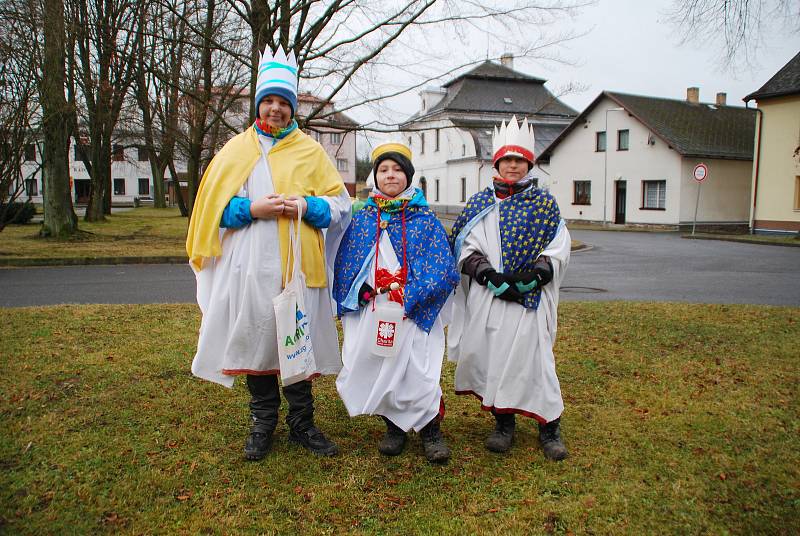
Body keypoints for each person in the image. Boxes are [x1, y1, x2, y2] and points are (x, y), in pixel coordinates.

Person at [186, 46, 351, 460]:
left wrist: (307, 207)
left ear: (293, 108)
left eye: (283, 102)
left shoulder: (311, 152)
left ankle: (303, 423)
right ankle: (263, 423)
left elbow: (341, 204)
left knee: (295, 341)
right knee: (259, 340)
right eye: (269, 101)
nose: (275, 109)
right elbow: (211, 209)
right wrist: (250, 209)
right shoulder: (235, 151)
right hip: (250, 269)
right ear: (259, 104)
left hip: (298, 267)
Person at [447, 116, 571, 461]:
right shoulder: (480, 202)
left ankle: (550, 427)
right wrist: (488, 276)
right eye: (507, 160)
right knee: (497, 358)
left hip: (532, 299)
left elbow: (559, 245)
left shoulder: (544, 203)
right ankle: (504, 424)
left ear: (528, 163)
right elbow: (464, 248)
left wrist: (535, 276)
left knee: (537, 361)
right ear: (497, 163)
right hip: (492, 298)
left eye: (519, 160)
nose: (513, 165)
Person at [332, 142, 459, 464]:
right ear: (375, 176)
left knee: (419, 369)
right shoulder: (362, 218)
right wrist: (358, 292)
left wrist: (411, 298)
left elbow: (443, 269)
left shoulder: (425, 220)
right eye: (384, 170)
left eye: (398, 169)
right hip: (374, 312)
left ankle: (430, 430)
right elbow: (346, 262)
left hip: (413, 312)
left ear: (408, 176)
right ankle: (394, 427)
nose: (391, 175)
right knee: (381, 365)